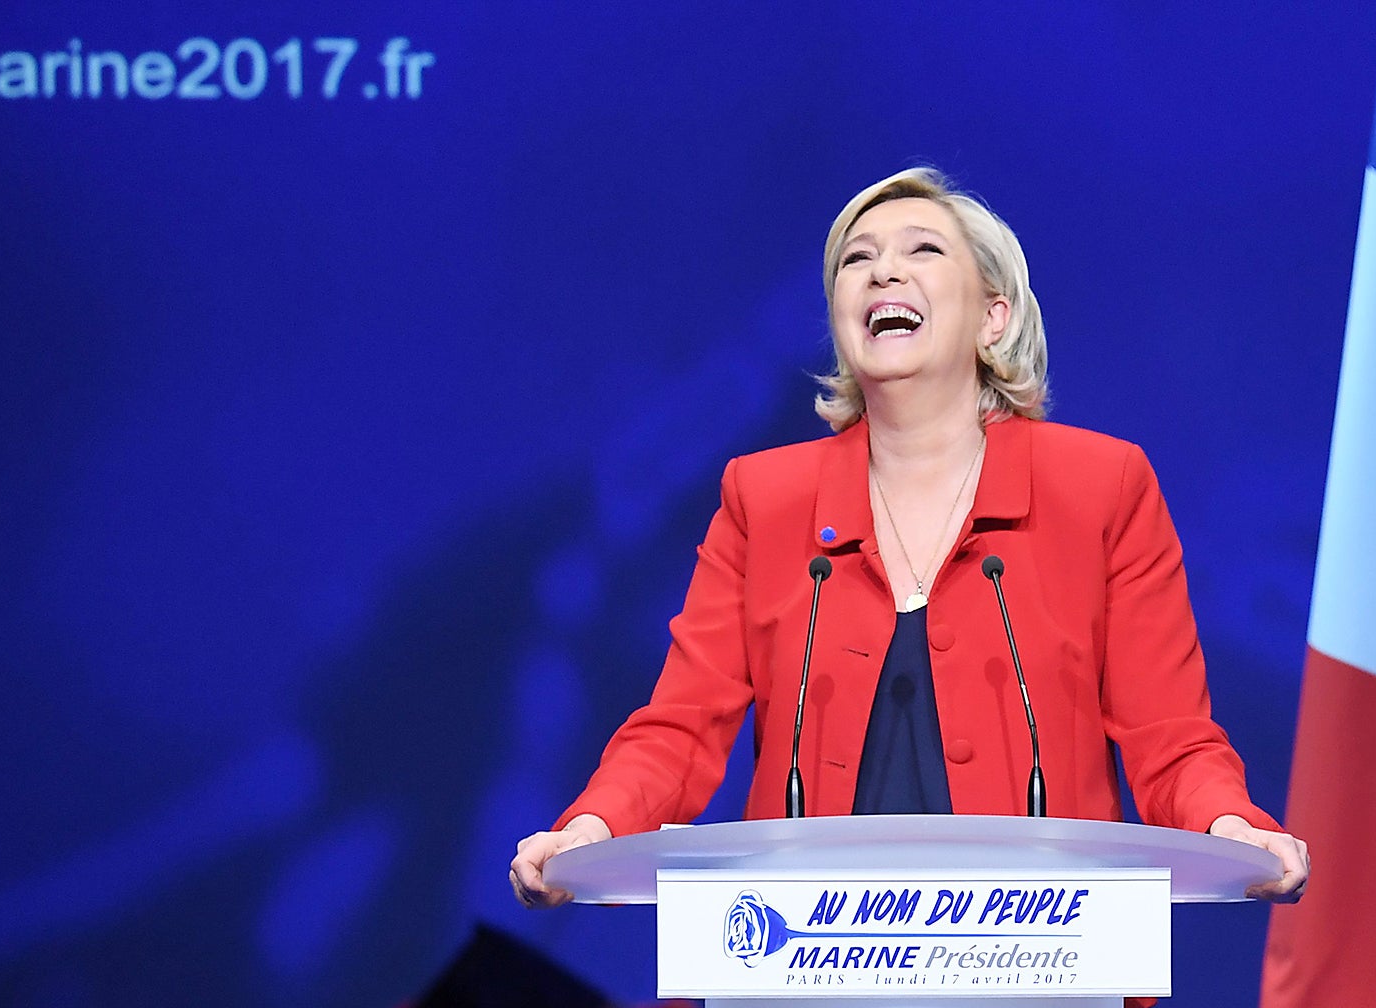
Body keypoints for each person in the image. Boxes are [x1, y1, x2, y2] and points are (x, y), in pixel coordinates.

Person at [511, 167, 1307, 908]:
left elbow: (1168, 736)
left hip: (1045, 970)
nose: (882, 272)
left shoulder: (1101, 487)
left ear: (994, 315)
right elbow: (682, 727)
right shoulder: (764, 496)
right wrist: (595, 830)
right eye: (856, 261)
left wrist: (1225, 827)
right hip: (805, 965)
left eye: (922, 251)